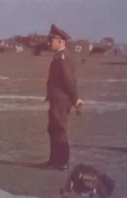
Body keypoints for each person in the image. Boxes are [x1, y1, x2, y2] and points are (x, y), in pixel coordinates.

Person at [45, 24, 84, 171]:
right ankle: (54, 160)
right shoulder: (59, 56)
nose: (49, 43)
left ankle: (61, 162)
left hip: (61, 100)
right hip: (57, 100)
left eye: (51, 40)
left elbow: (69, 81)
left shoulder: (62, 57)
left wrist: (75, 99)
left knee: (59, 129)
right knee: (53, 128)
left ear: (60, 41)